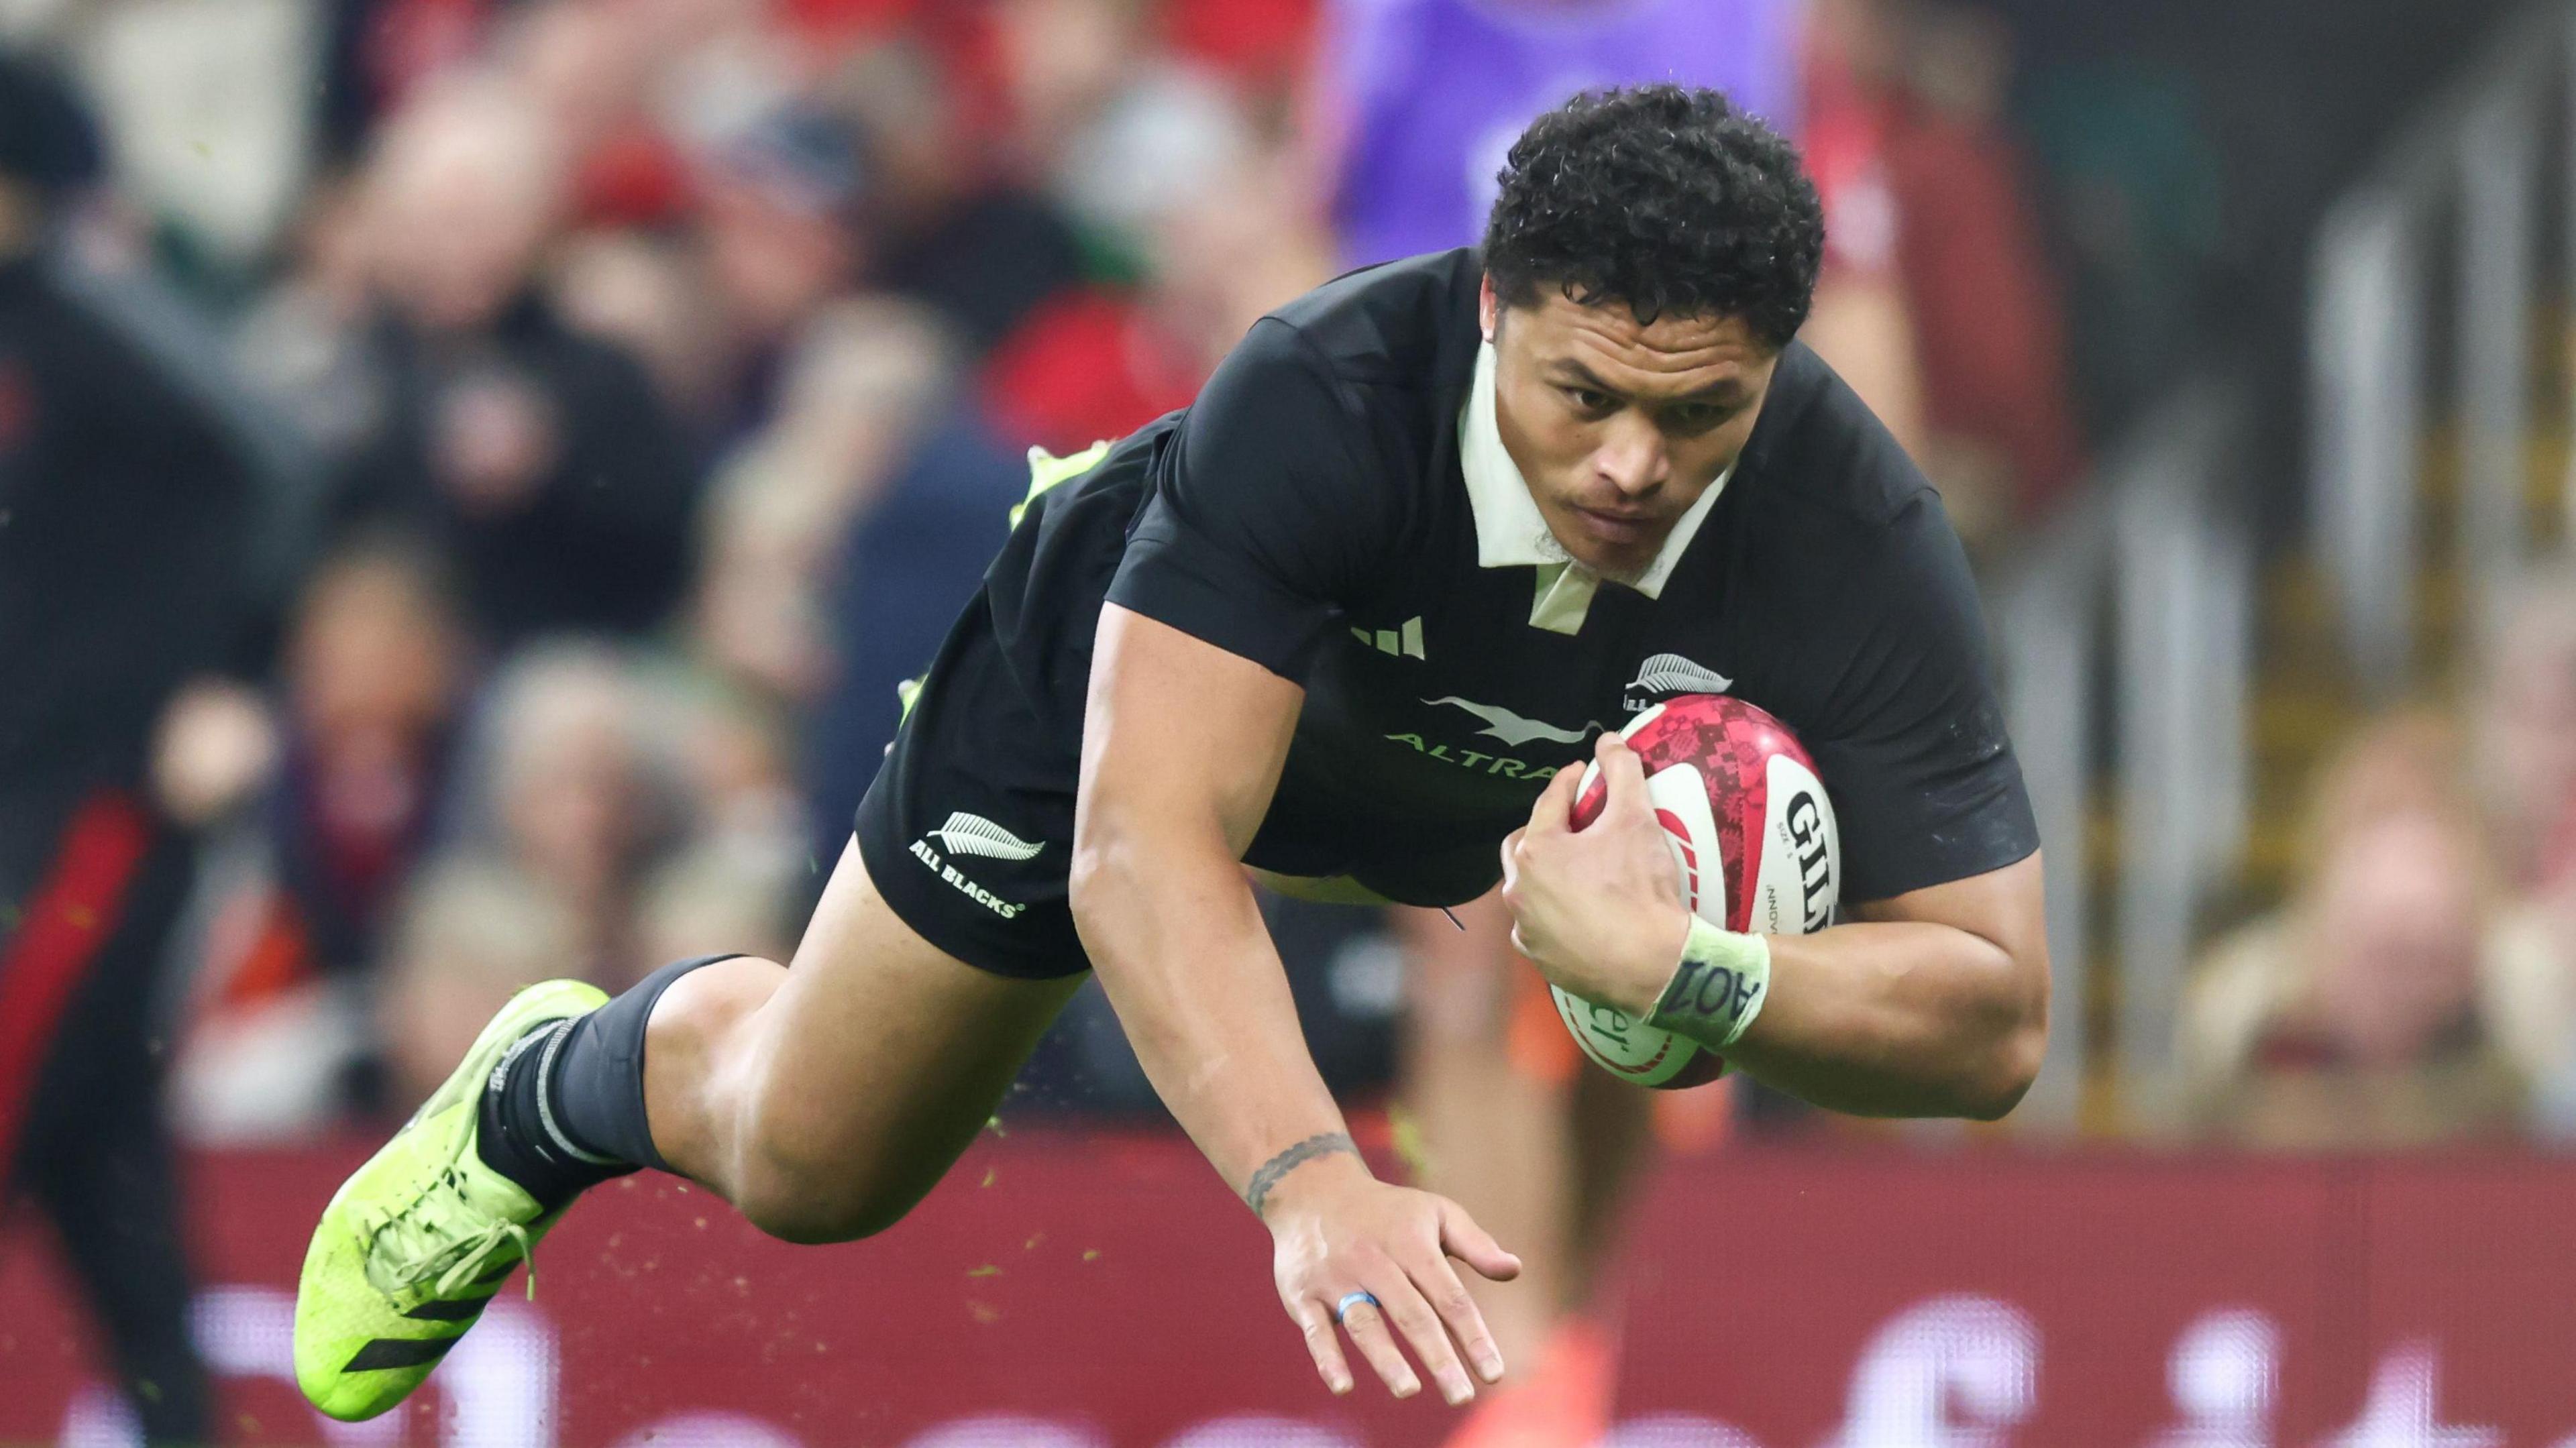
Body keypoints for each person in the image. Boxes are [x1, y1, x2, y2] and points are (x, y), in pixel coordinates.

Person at [291, 86, 2048, 1419]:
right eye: (1585, 394)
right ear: (1497, 309)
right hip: (1136, 717)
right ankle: (555, 1085)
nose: (1633, 468)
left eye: (1701, 414)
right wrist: (1311, 1186)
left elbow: (1995, 1020)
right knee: (810, 1168)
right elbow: (1145, 851)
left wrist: (1702, 971)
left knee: (1576, 970)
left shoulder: (1848, 524)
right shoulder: (1326, 391)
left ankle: (1532, 1407)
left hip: (1480, 801)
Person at [1, 49, 261, 1445]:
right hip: (30, 797)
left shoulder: (91, 323)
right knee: (102, 1168)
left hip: (91, 805)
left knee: (23, 1075)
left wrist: (236, 675)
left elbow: (277, 451)